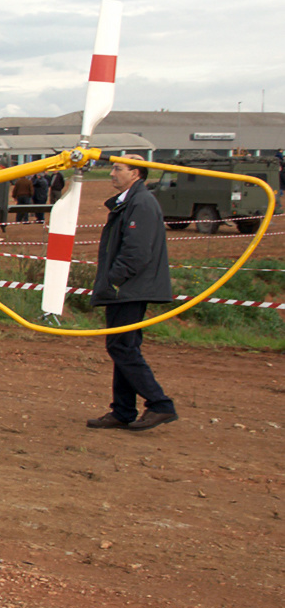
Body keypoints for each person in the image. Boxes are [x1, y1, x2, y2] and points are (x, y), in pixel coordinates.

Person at [87, 157, 177, 431]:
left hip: (129, 289)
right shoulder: (131, 201)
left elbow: (137, 252)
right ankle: (123, 410)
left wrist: (113, 280)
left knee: (122, 347)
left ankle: (160, 404)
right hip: (128, 287)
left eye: (118, 169)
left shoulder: (141, 203)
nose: (112, 173)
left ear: (135, 173)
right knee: (123, 347)